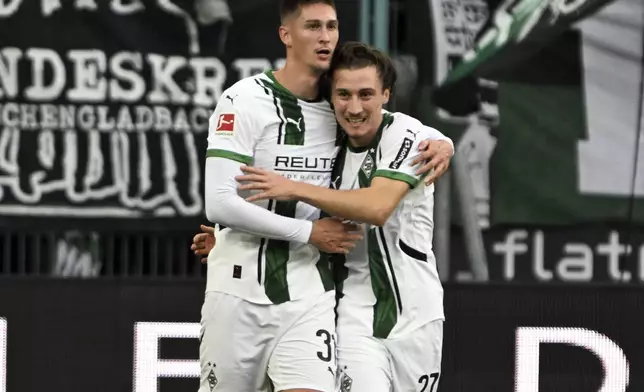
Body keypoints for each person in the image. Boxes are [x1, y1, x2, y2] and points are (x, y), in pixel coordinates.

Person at [200, 0, 451, 390]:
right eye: (313, 26)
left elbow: (377, 199)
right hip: (245, 293)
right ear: (286, 34)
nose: (325, 37)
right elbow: (220, 202)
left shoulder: (370, 122)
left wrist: (443, 141)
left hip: (335, 300)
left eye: (331, 27)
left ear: (385, 94)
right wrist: (232, 233)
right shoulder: (244, 99)